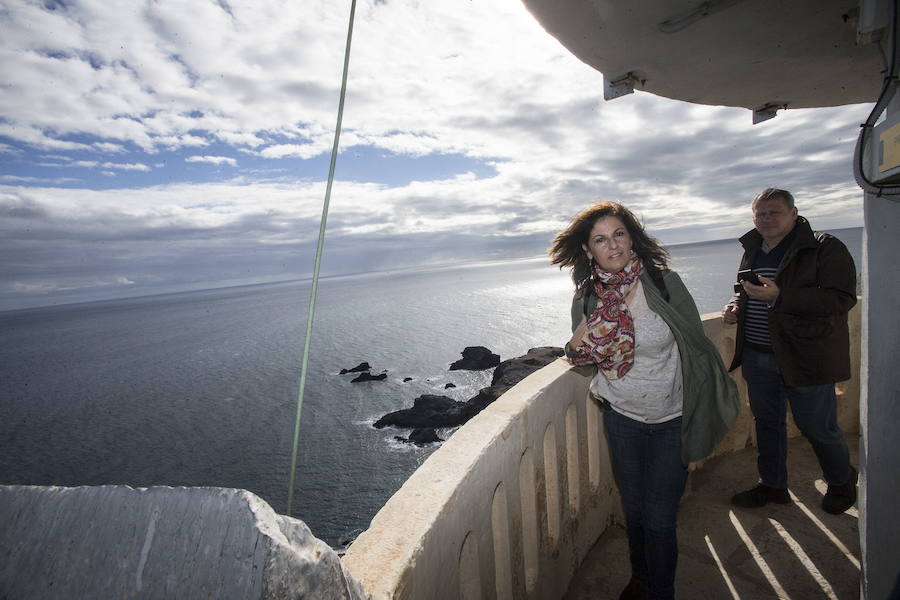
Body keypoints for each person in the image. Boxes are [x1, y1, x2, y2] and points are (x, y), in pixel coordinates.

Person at [550, 202, 739, 600]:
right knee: (635, 510)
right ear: (588, 250)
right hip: (622, 420)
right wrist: (589, 329)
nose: (613, 245)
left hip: (672, 419)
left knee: (658, 518)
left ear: (632, 238)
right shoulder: (587, 297)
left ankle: (661, 591)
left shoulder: (665, 283)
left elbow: (698, 353)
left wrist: (699, 430)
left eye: (618, 234)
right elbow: (582, 357)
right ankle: (640, 577)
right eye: (600, 239)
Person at [723, 188, 858, 514]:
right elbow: (746, 289)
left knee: (818, 426)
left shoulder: (824, 247)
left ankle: (841, 481)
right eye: (760, 213)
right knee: (767, 423)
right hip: (757, 354)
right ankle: (772, 485)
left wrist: (780, 297)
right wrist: (736, 305)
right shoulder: (753, 247)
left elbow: (841, 298)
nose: (766, 219)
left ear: (794, 214)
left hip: (805, 356)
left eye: (775, 212)